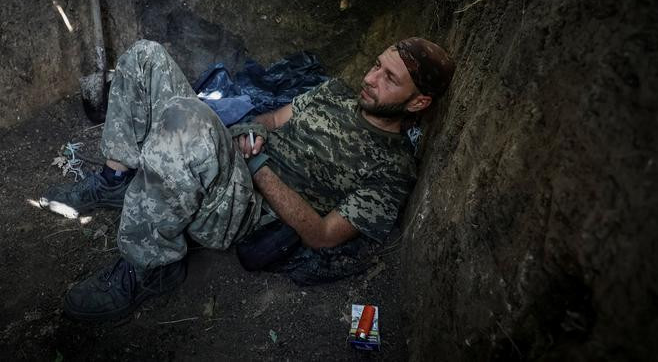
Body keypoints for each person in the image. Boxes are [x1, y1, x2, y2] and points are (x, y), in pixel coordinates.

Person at [40, 38, 454, 322]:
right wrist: (250, 133)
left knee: (187, 121)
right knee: (146, 55)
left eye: (389, 79)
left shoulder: (391, 169)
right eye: (377, 65)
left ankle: (149, 268)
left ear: (418, 101)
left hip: (250, 210)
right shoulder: (335, 93)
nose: (370, 78)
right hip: (240, 163)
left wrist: (259, 170)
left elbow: (324, 236)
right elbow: (271, 119)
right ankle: (115, 178)